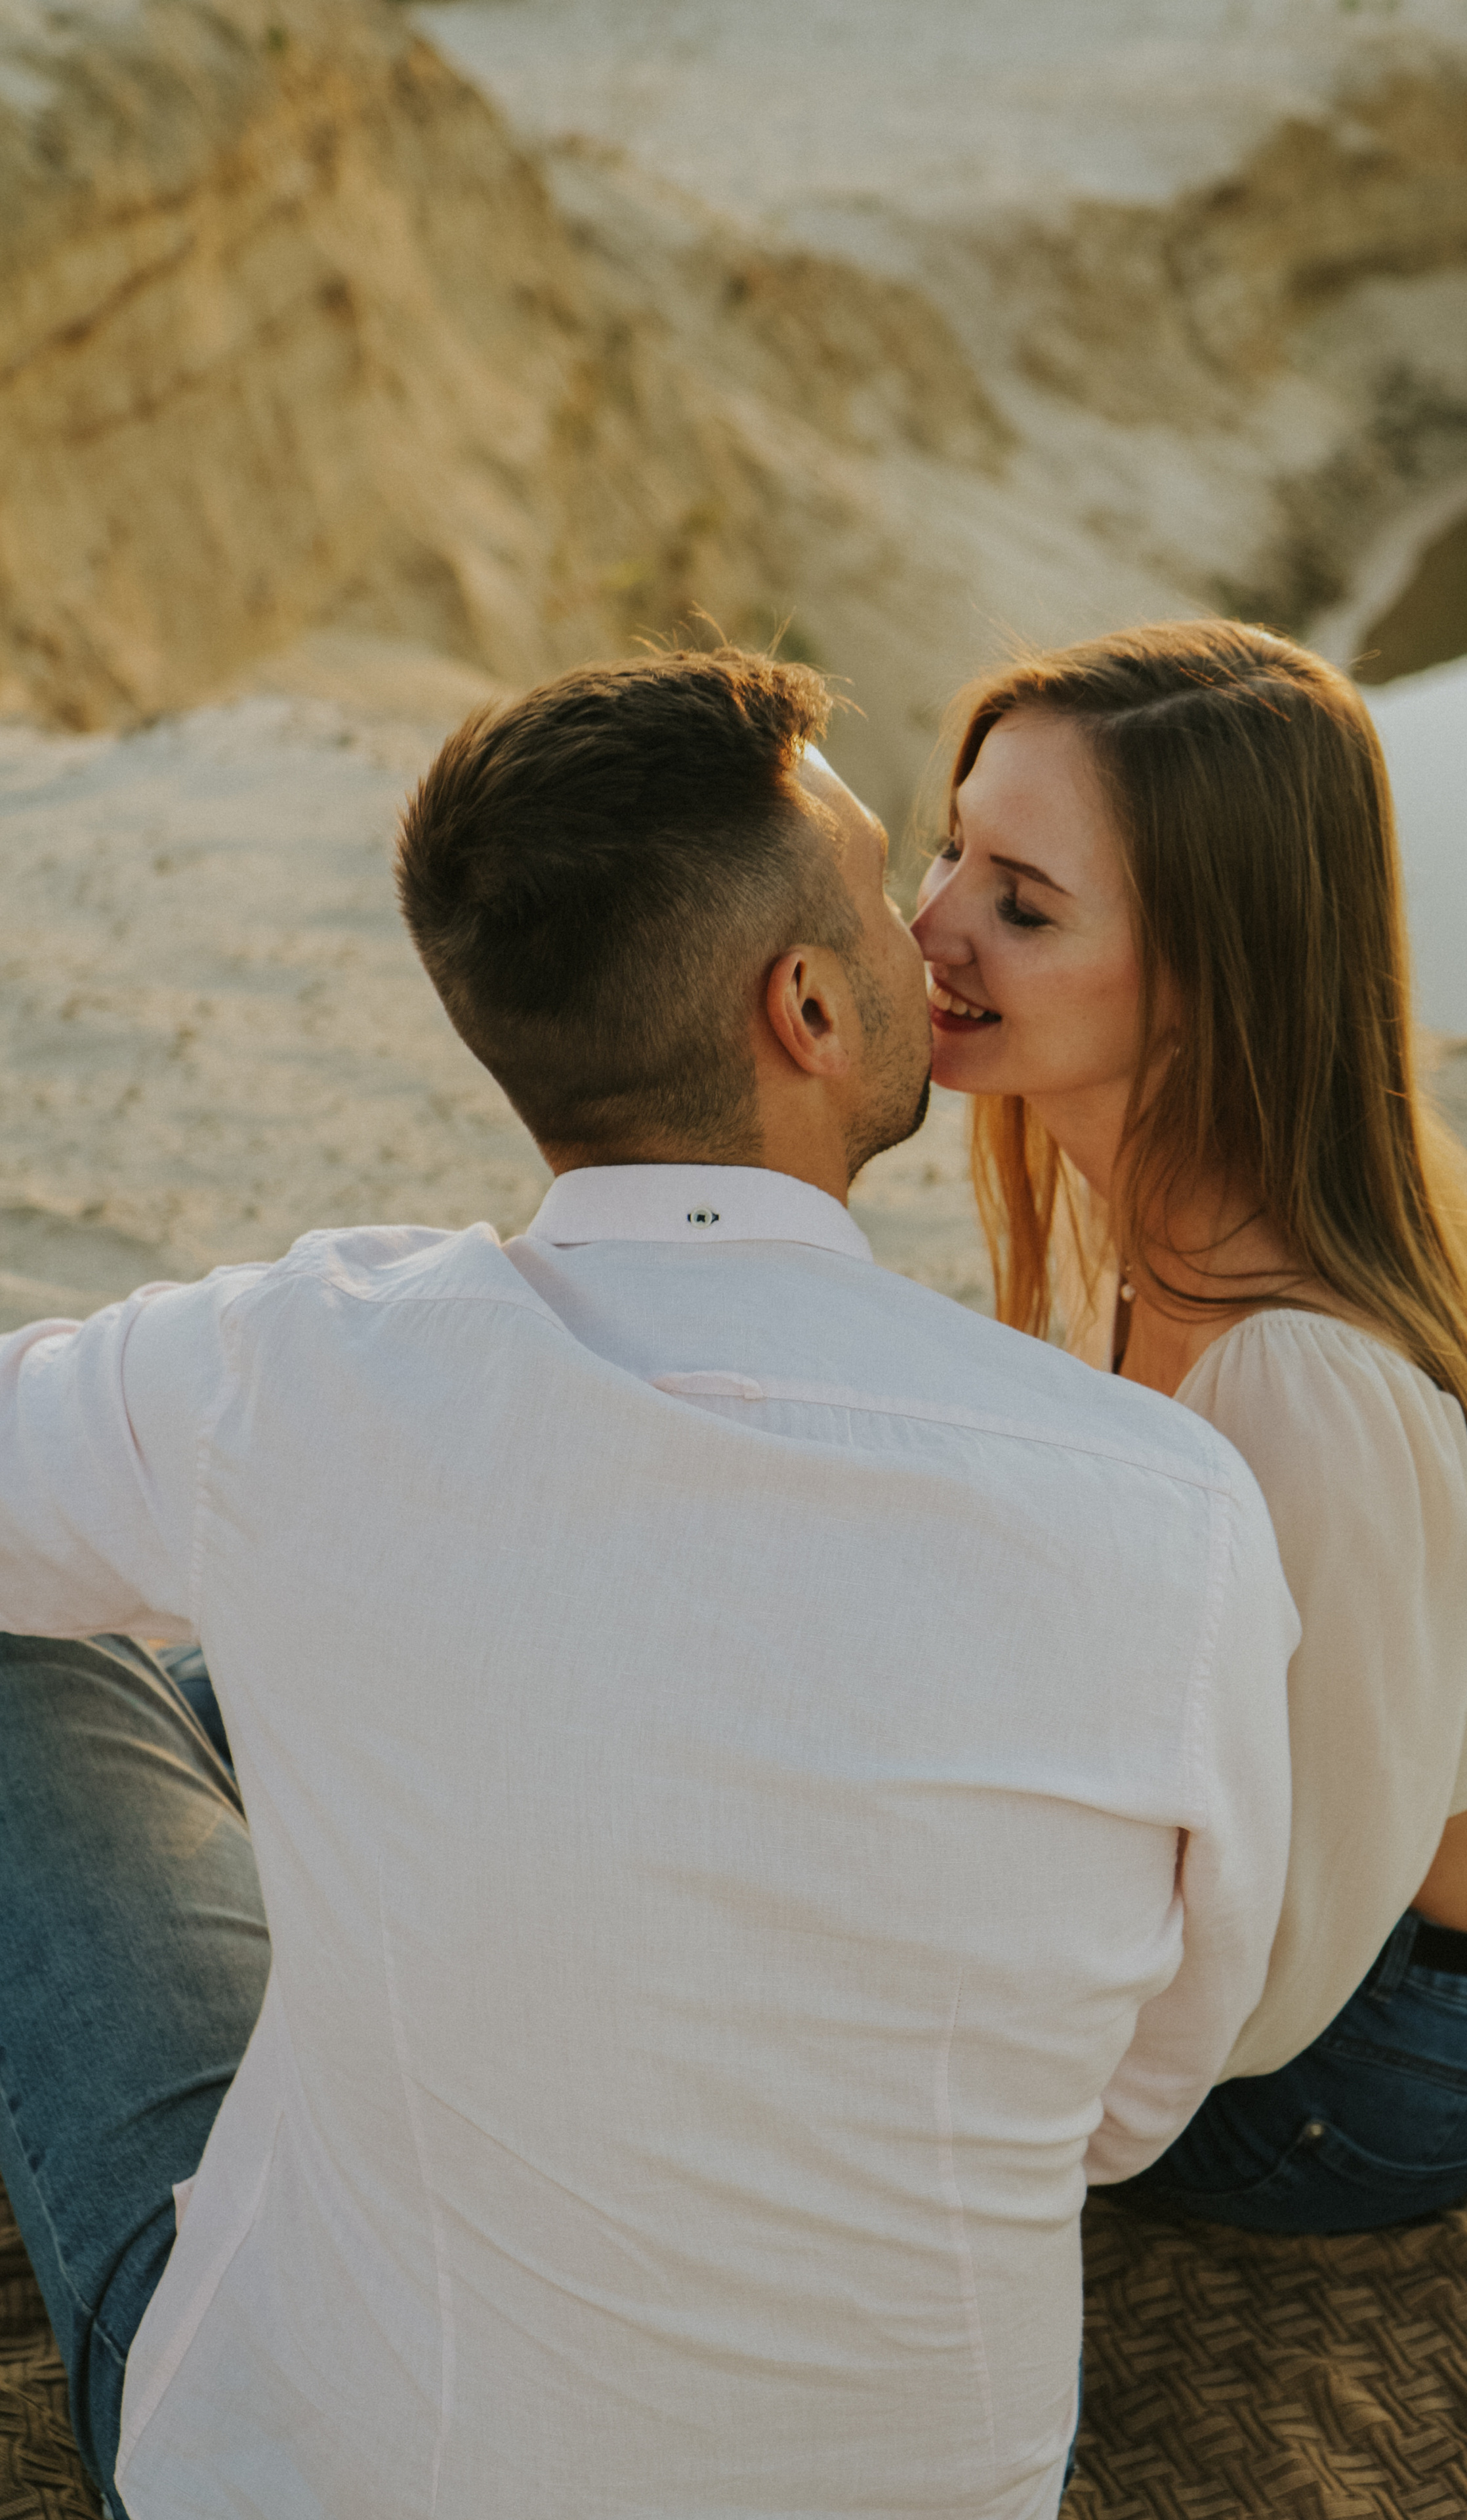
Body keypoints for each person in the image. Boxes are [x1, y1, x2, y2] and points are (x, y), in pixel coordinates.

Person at [0, 648, 1297, 2520]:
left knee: (62, 1658)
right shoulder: (1170, 1511)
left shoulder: (288, 1368)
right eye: (884, 888)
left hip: (336, 2478)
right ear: (807, 1011)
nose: (925, 931)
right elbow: (1130, 2105)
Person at [912, 618, 1467, 2236]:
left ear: (1206, 979)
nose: (927, 925)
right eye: (949, 849)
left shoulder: (1300, 1379)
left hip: (1389, 2053)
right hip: (1428, 1840)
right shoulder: (1188, 1180)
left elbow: (1264, 2002)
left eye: (1020, 906)